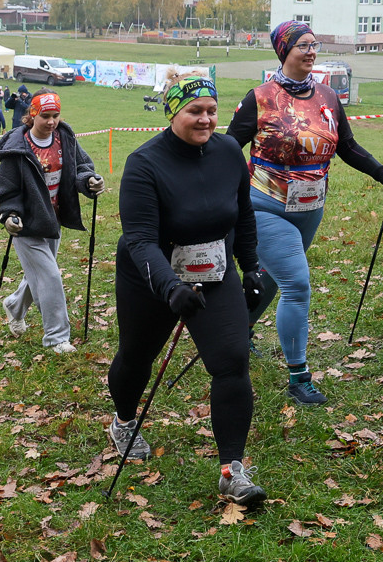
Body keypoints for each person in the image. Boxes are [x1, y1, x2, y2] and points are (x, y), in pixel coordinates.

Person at [107, 73, 268, 505]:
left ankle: (232, 469)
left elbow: (244, 212)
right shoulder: (144, 163)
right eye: (194, 111)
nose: (206, 119)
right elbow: (139, 239)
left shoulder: (230, 151)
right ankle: (123, 421)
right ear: (172, 112)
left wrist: (250, 266)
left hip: (214, 270)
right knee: (137, 358)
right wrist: (169, 286)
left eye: (212, 110)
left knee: (232, 361)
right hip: (151, 275)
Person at [227, 20, 383, 406]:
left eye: (314, 44)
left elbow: (349, 147)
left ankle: (240, 332)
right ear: (283, 51)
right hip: (265, 206)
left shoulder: (326, 96)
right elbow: (227, 148)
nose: (311, 51)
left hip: (311, 207)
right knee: (297, 283)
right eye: (302, 45)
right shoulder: (261, 97)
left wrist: (382, 175)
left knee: (273, 277)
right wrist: (232, 187)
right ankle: (299, 376)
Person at [0, 91, 104, 354]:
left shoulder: (65, 138)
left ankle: (14, 306)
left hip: (53, 220)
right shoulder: (18, 148)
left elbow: (80, 167)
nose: (52, 121)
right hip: (27, 224)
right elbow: (6, 190)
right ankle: (56, 337)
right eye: (45, 116)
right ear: (32, 114)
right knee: (50, 276)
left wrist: (89, 181)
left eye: (55, 115)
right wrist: (8, 215)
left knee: (40, 274)